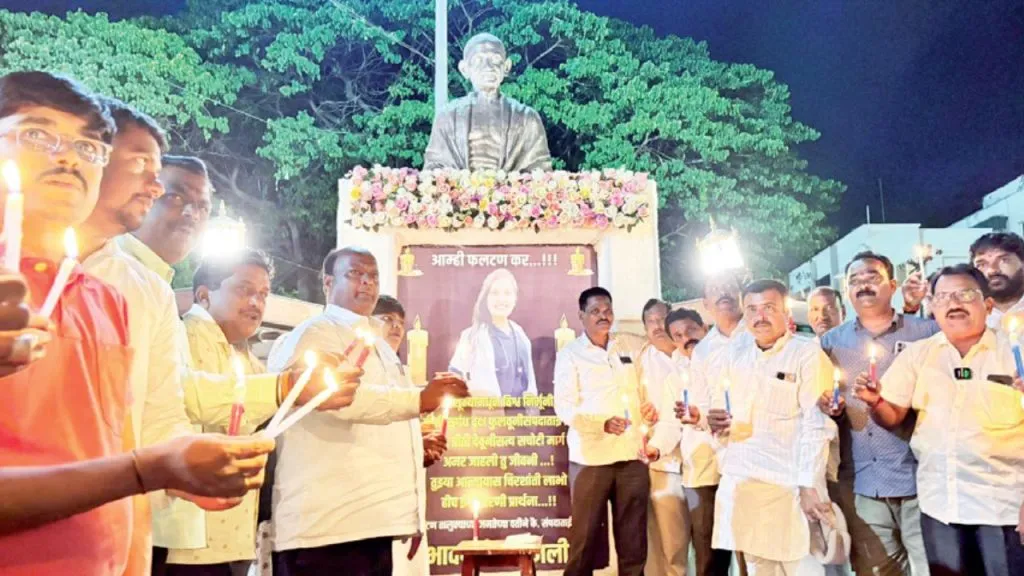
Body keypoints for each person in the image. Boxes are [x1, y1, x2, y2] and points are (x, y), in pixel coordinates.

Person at [121, 155, 351, 572]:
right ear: (204, 295)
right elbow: (188, 398)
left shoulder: (244, 354)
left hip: (221, 525)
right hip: (174, 528)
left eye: (263, 294)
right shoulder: (186, 326)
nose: (256, 302)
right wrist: (285, 387)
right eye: (245, 289)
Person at [0, 69, 148, 575]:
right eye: (37, 134)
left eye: (89, 148)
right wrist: (151, 469)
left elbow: (121, 452)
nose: (67, 157)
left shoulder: (110, 302)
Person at [267, 247, 468, 576]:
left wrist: (416, 446)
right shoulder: (316, 332)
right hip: (326, 529)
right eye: (355, 274)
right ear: (328, 282)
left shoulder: (378, 348)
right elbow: (337, 400)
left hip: (370, 524)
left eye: (373, 276)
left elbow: (377, 424)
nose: (366, 283)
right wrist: (418, 400)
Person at [862, 264, 1024, 575]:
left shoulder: (1014, 353)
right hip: (940, 507)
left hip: (1003, 509)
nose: (954, 303)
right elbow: (893, 414)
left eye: (965, 294)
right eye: (943, 297)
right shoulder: (919, 355)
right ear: (932, 306)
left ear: (987, 305)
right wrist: (875, 402)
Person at [702, 279, 838, 575]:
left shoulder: (806, 354)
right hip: (745, 484)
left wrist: (808, 485)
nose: (759, 316)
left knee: (803, 568)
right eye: (751, 309)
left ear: (785, 310)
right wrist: (716, 427)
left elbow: (816, 425)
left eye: (768, 308)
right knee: (756, 567)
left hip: (791, 487)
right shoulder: (735, 355)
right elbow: (719, 414)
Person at [818, 251, 937, 576]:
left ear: (893, 285)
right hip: (863, 481)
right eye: (855, 281)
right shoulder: (830, 342)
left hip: (921, 476)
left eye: (872, 277)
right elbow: (822, 399)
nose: (863, 286)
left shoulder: (927, 333)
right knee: (876, 570)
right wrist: (832, 409)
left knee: (932, 567)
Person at [554, 287, 650, 576]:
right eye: (595, 311)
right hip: (590, 459)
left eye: (607, 310)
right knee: (584, 542)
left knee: (634, 543)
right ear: (581, 315)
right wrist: (602, 424)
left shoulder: (627, 346)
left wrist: (649, 409)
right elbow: (565, 407)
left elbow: (644, 386)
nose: (603, 316)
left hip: (631, 456)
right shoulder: (570, 354)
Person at [668, 275, 749, 576]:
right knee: (713, 548)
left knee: (753, 549)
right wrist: (698, 416)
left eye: (728, 286)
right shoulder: (704, 351)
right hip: (720, 457)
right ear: (705, 304)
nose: (723, 293)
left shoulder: (757, 335)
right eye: (714, 290)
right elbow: (701, 406)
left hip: (759, 455)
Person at [371, 294, 447, 576]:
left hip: (403, 495)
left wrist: (420, 445)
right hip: (376, 498)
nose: (396, 328)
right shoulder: (364, 371)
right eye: (386, 319)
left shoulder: (400, 372)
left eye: (400, 322)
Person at [423, 33, 552, 172]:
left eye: (495, 59)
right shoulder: (447, 116)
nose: (488, 66)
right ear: (465, 69)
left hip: (510, 192)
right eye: (478, 60)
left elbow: (540, 169)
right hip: (460, 191)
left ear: (506, 66)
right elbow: (434, 166)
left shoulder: (526, 118)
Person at [634, 299, 689, 576]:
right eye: (650, 321)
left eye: (661, 319)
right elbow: (630, 405)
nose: (657, 326)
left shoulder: (689, 355)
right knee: (668, 544)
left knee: (706, 541)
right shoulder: (641, 362)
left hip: (699, 460)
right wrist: (641, 415)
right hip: (663, 462)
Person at [449, 267, 537, 398]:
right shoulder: (471, 337)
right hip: (485, 414)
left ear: (515, 299)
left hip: (519, 416)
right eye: (495, 293)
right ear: (486, 298)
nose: (501, 299)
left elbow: (529, 384)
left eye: (507, 293)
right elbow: (454, 379)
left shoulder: (521, 335)